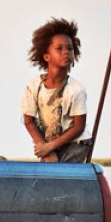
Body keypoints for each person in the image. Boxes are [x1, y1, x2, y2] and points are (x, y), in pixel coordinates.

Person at [21, 18, 91, 163]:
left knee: (58, 171)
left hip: (75, 143)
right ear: (46, 56)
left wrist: (50, 147)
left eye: (70, 49)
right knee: (47, 168)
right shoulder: (34, 85)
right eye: (59, 49)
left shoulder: (76, 89)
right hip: (49, 143)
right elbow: (28, 121)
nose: (66, 52)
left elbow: (79, 127)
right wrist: (44, 148)